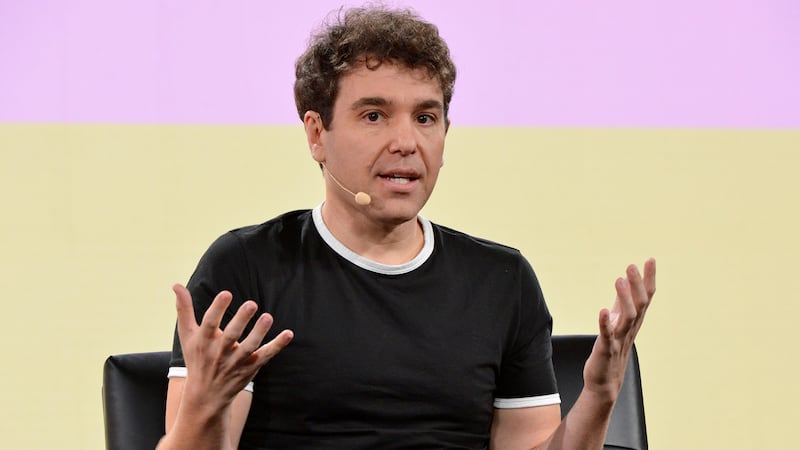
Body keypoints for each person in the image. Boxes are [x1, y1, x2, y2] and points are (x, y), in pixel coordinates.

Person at [156, 5, 656, 450]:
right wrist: (202, 404)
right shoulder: (245, 268)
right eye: (374, 115)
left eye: (425, 117)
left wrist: (599, 394)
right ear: (316, 134)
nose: (406, 141)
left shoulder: (501, 279)